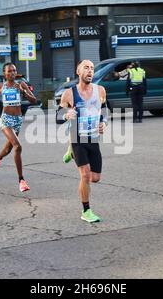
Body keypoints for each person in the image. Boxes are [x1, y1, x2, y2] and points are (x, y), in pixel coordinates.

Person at [60, 60, 108, 223]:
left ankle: (70, 152)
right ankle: (86, 210)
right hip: (77, 138)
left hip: (93, 138)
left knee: (95, 178)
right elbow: (57, 116)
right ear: (78, 71)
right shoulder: (69, 93)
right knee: (85, 175)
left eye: (92, 68)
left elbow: (104, 111)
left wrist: (104, 123)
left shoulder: (100, 90)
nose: (90, 71)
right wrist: (66, 115)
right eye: (86, 68)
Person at [0, 63, 37, 193]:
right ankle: (21, 180)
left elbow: (34, 100)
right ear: (4, 74)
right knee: (17, 146)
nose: (12, 73)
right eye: (9, 71)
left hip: (18, 120)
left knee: (9, 148)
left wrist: (24, 92)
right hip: (6, 119)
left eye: (14, 71)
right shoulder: (1, 85)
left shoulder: (21, 84)